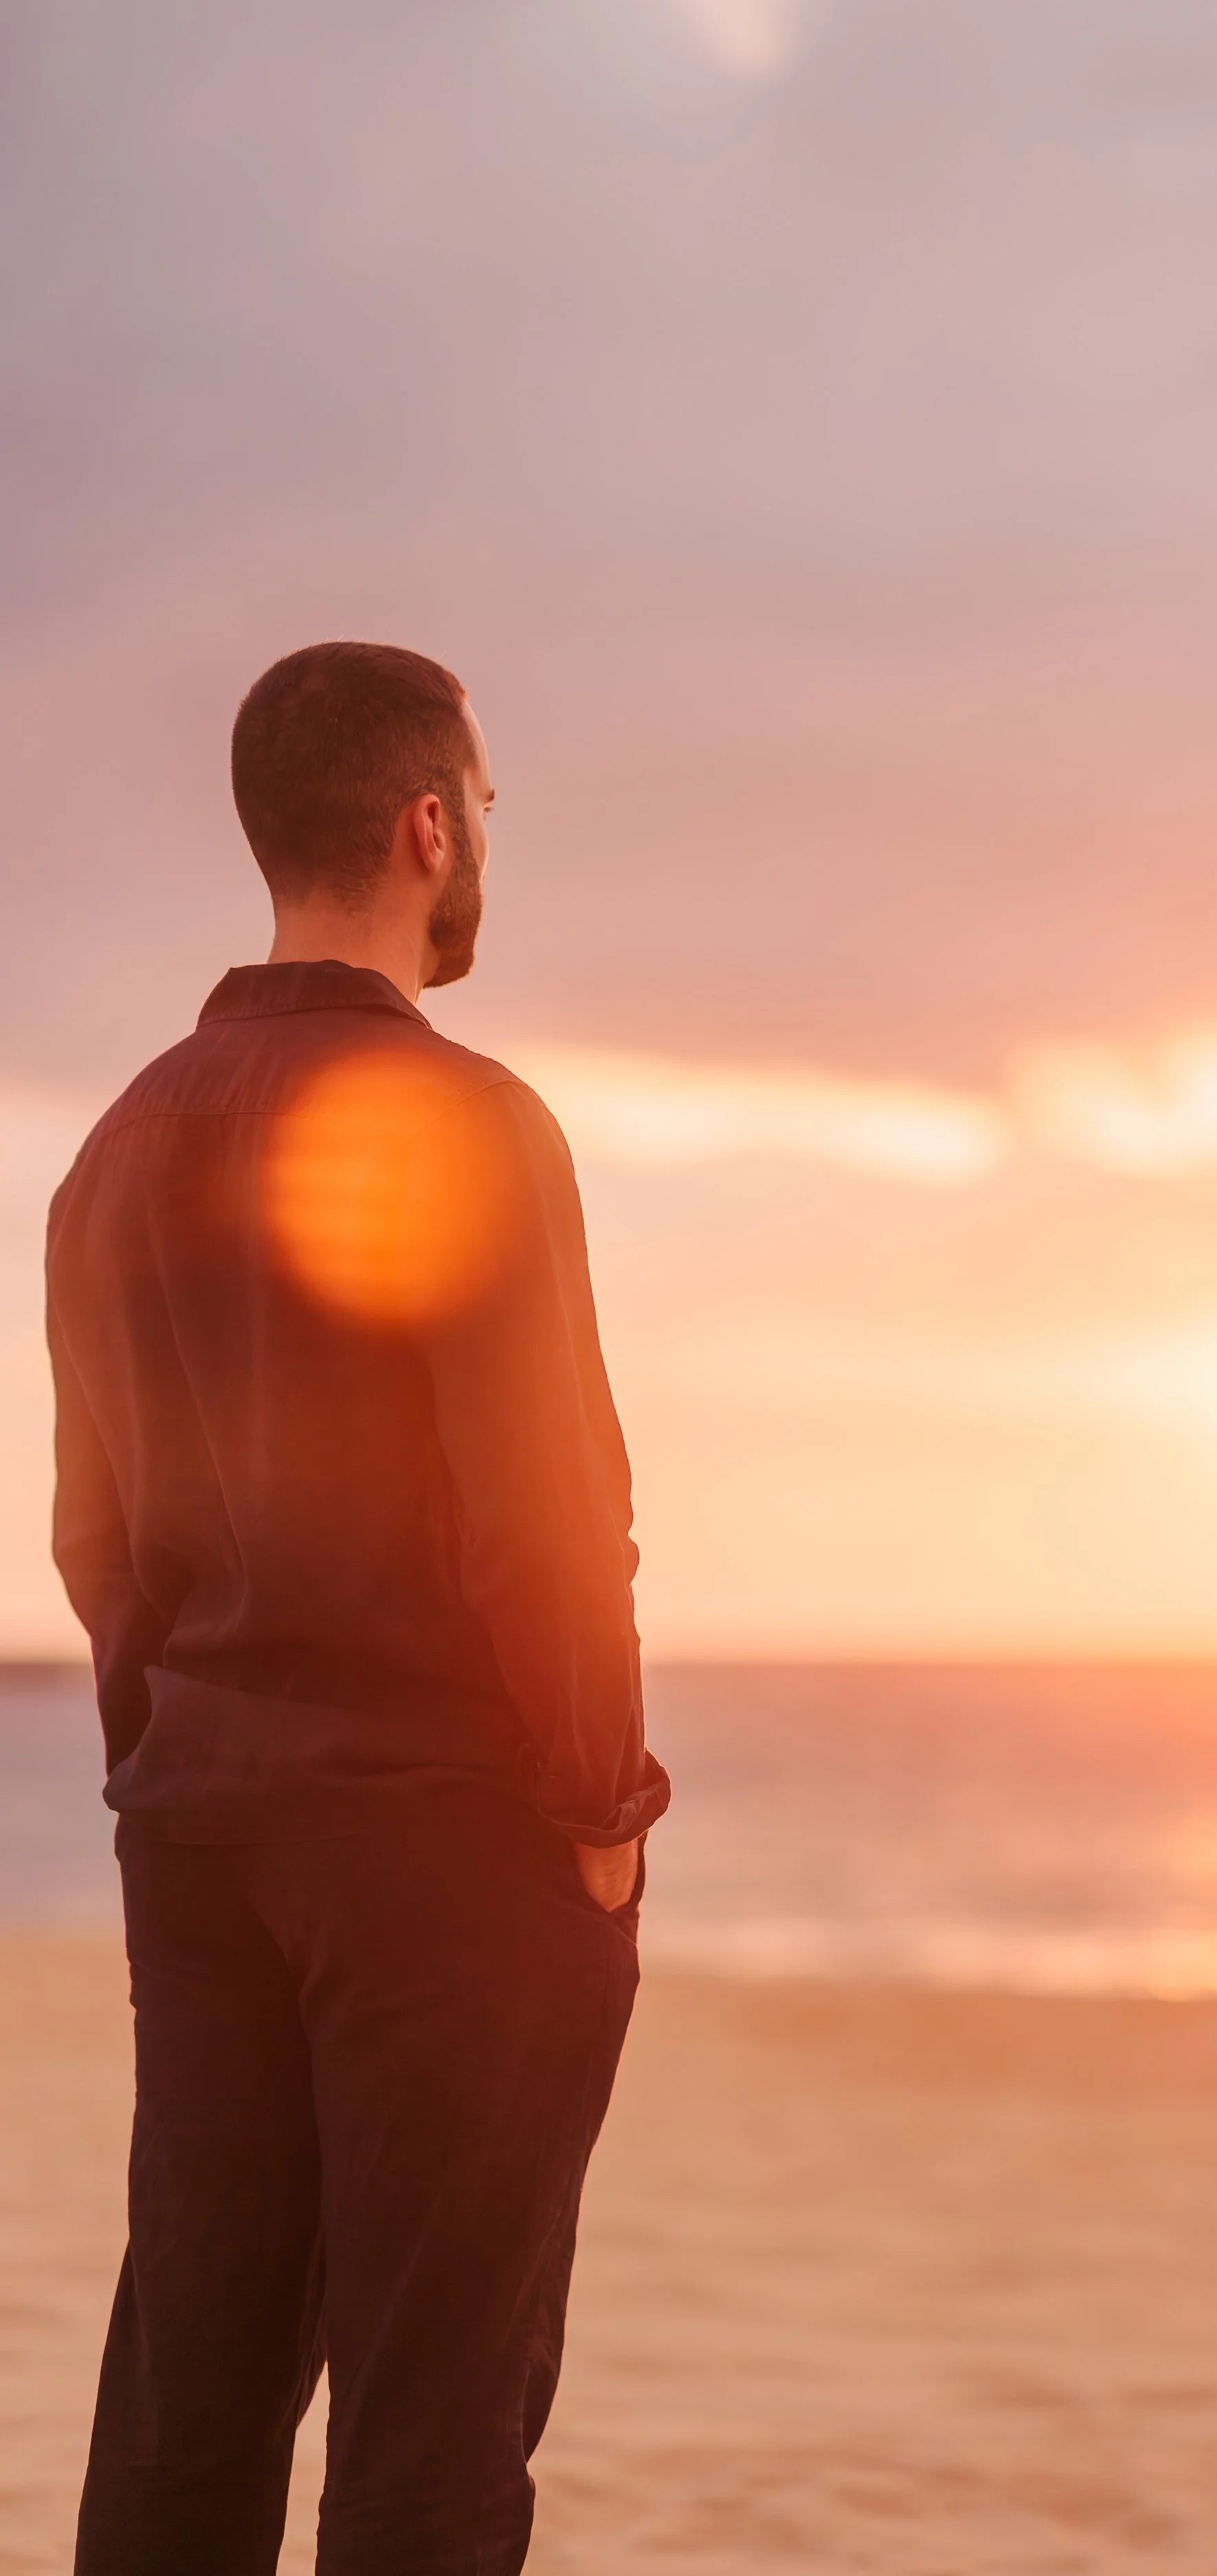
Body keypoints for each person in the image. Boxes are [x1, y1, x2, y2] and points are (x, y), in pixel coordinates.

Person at [45, 640, 670, 2575]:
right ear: (426, 822)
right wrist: (598, 1813)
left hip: (205, 1827)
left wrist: (176, 1755)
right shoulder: (471, 1125)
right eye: (480, 804)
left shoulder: (110, 1149)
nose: (484, 839)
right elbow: (549, 1523)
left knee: (192, 2391)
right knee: (434, 2407)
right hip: (442, 1839)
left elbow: (99, 1541)